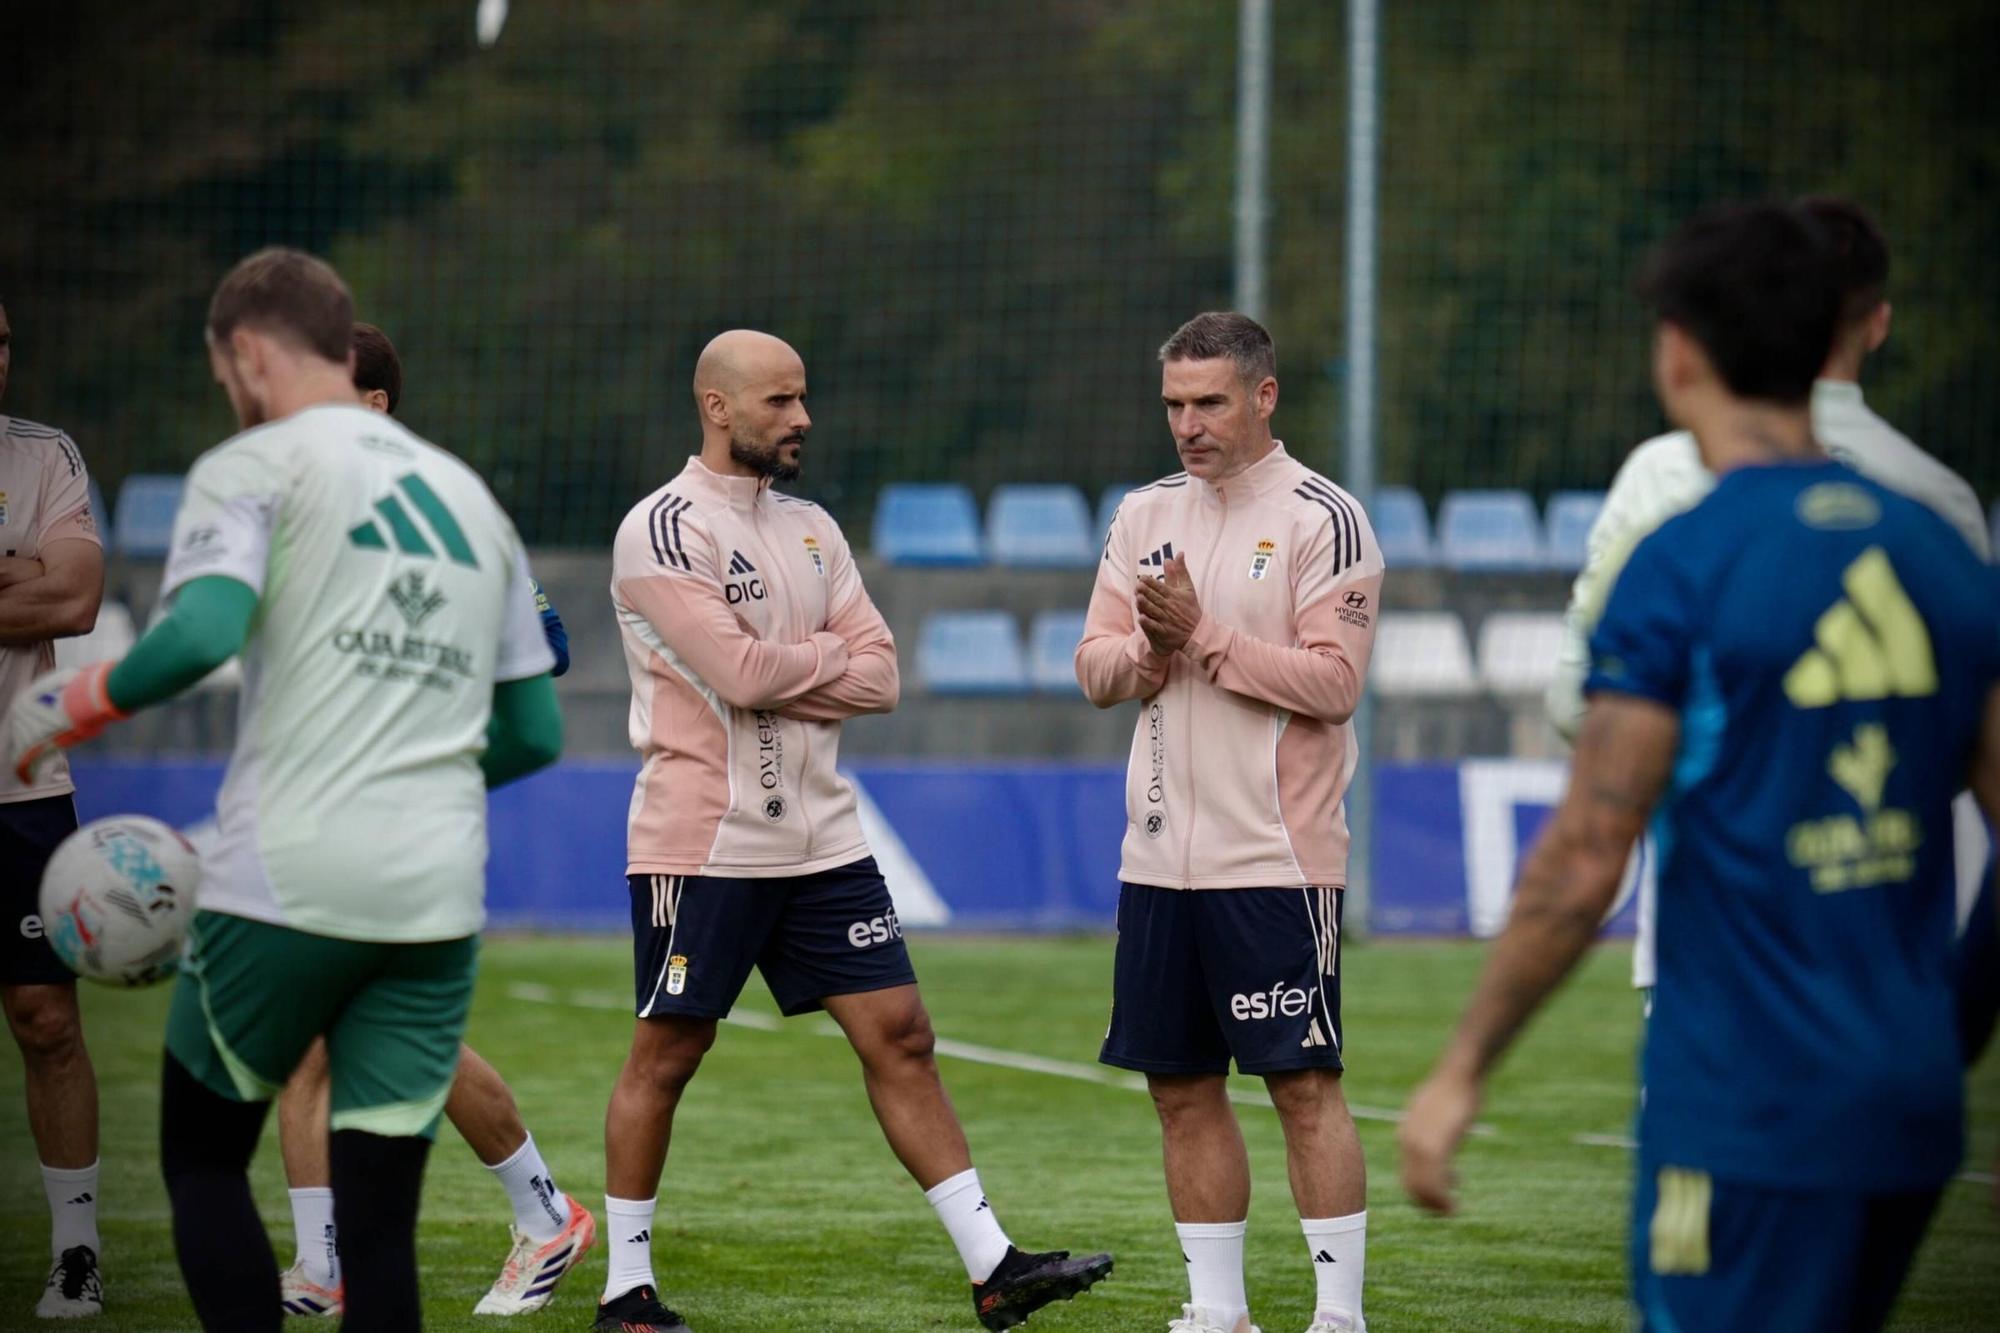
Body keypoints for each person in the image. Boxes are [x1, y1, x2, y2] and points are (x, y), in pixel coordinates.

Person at [1398, 202, 2000, 1331]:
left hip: (1741, 1094)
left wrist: (1460, 1069)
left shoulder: (1681, 556)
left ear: (1679, 351)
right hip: (1909, 1098)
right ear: (1846, 333)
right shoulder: (1936, 539)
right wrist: (1952, 1015)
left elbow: (1584, 857)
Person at [6, 247, 564, 1332]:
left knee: (205, 1165)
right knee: (382, 1218)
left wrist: (69, 709)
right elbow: (534, 730)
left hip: (286, 875)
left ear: (249, 351)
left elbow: (202, 632)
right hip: (433, 895)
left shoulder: (253, 466)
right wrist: (416, 783)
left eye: (225, 371)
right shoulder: (470, 498)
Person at [597, 328, 1112, 1333]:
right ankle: (625, 1291)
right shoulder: (660, 530)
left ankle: (993, 1265)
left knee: (902, 1036)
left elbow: (880, 675)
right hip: (706, 841)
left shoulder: (812, 527)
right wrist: (817, 657)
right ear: (718, 406)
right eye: (780, 401)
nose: (802, 418)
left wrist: (787, 660)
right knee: (668, 1053)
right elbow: (741, 679)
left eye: (802, 398)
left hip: (823, 838)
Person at [1545, 197, 1991, 1002]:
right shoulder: (1941, 505)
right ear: (1873, 324)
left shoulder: (1665, 480)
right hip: (1899, 945)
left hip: (1717, 944)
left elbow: (1577, 699)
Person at [270, 319, 591, 1319]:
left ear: (371, 405)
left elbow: (545, 645)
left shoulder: (440, 506)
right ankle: (530, 1219)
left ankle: (347, 1262)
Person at [1077, 311, 1381, 1333]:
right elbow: (1092, 670)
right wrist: (1151, 655)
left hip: (1276, 860)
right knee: (1178, 1087)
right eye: (1172, 404)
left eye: (1207, 402)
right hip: (1158, 859)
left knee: (1301, 1084)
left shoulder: (1319, 517)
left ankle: (1337, 1318)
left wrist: (1200, 636)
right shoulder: (1141, 513)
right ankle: (1218, 1314)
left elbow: (1333, 684)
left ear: (1263, 397)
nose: (1187, 425)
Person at [0, 297, 110, 1318]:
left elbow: (70, 599)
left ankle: (76, 1251)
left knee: (46, 1018)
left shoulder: (41, 457)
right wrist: (13, 572)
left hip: (22, 786)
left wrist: (38, 575)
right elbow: (34, 587)